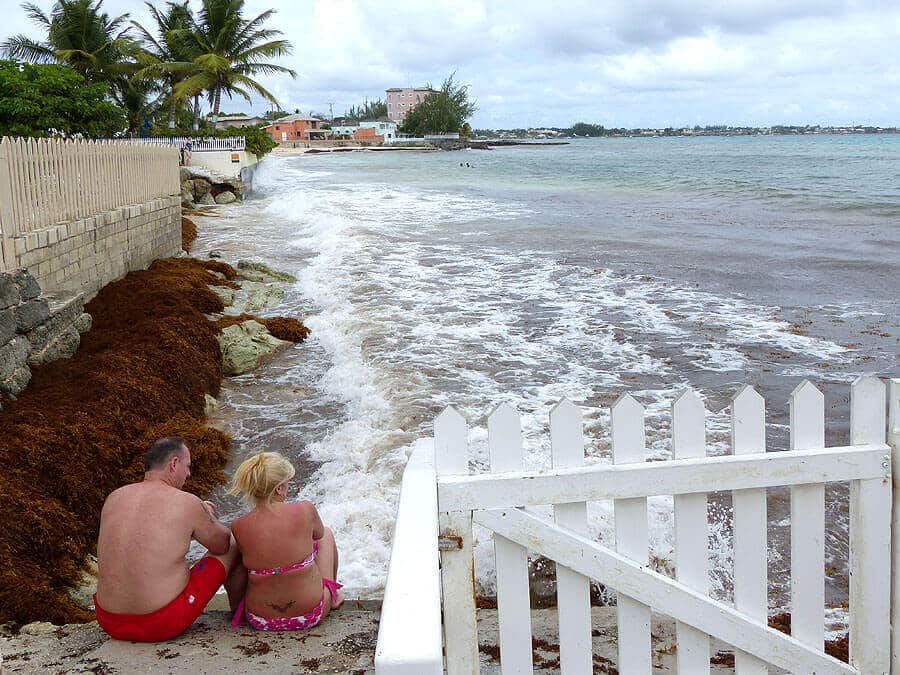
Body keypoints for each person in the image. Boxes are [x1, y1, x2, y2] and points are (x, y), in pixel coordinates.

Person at [94, 437, 244, 642]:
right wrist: (207, 516)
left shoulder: (115, 496)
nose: (189, 473)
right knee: (234, 540)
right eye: (188, 466)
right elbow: (222, 544)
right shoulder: (187, 502)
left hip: (108, 620)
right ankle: (238, 614)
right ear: (174, 464)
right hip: (160, 622)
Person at [228, 452, 342, 631]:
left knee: (244, 555)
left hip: (260, 619)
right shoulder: (305, 509)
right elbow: (318, 534)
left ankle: (236, 608)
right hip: (310, 614)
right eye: (287, 483)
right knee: (326, 535)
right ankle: (332, 595)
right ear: (278, 489)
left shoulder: (239, 525)